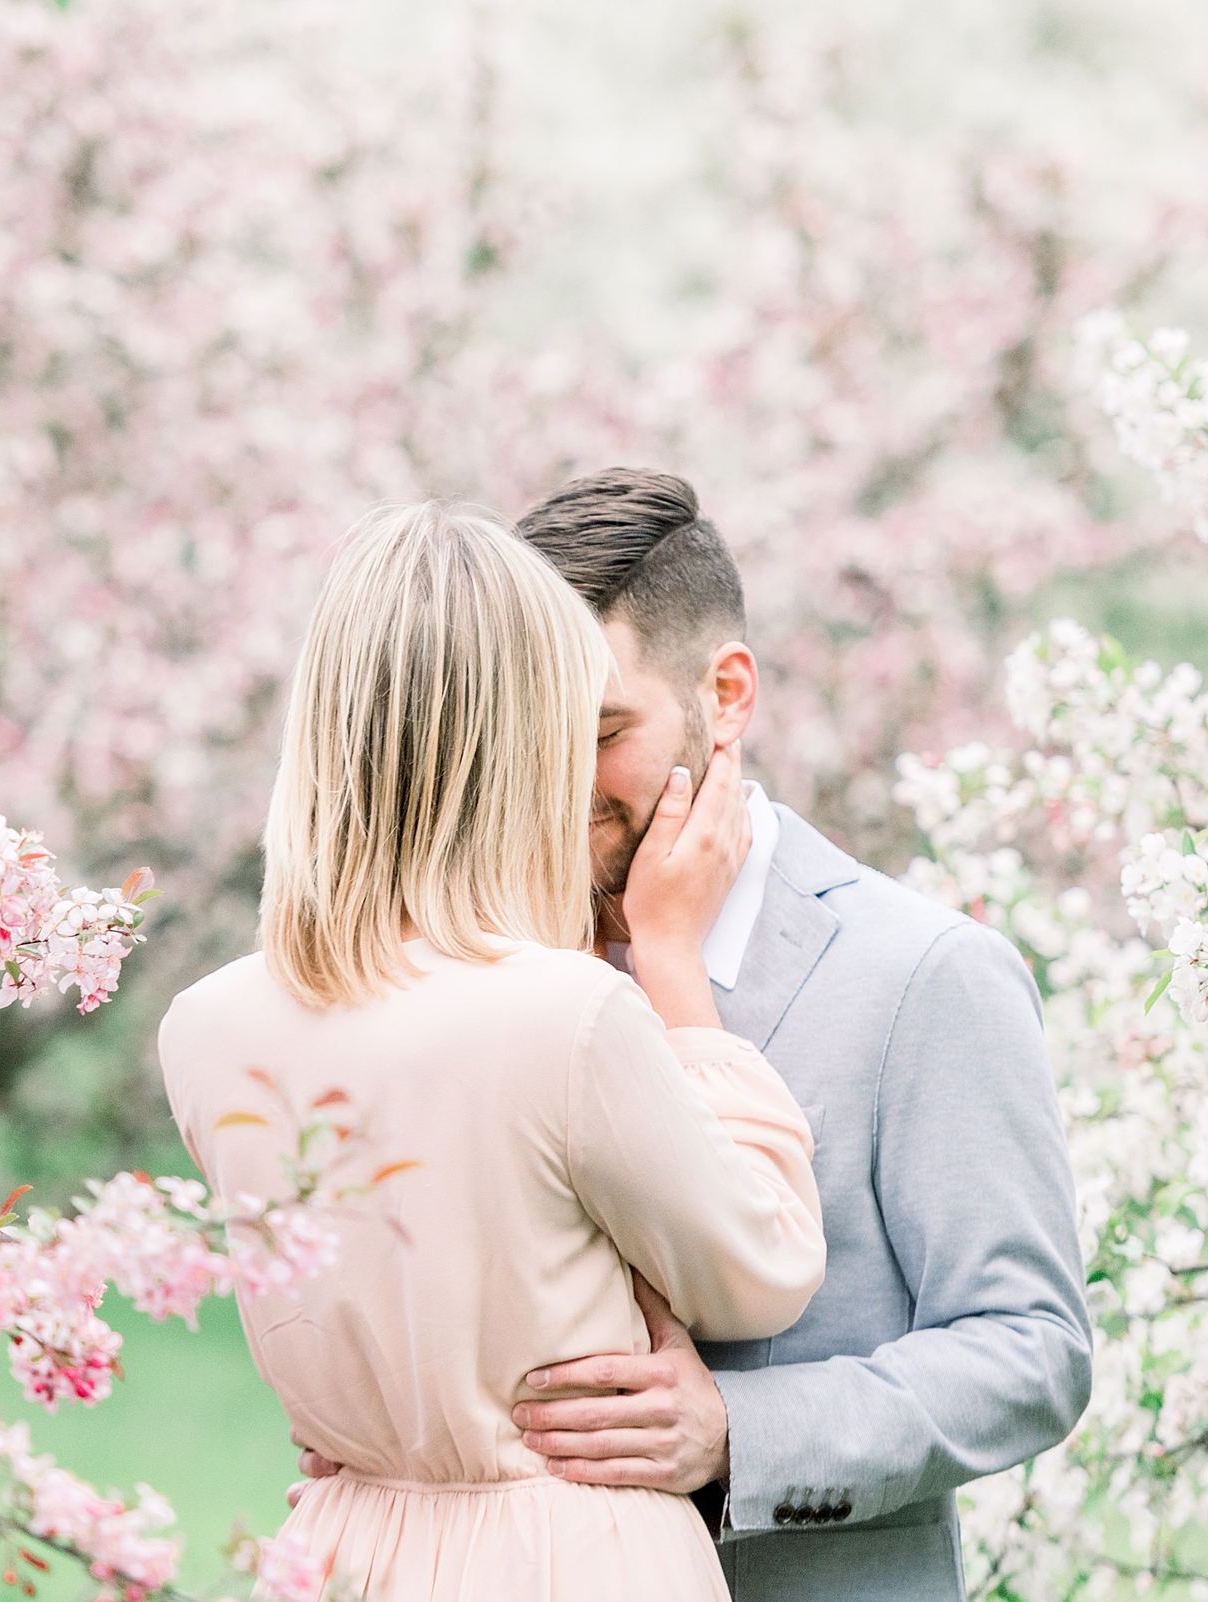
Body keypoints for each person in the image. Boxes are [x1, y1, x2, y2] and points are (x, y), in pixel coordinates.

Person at [296, 470, 1092, 1600]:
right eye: (524, 734)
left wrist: (736, 1436)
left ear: (726, 694)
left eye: (604, 730)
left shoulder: (923, 978)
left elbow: (1031, 1351)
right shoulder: (470, 975)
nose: (555, 778)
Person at [160, 500, 827, 1602]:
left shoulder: (207, 1026)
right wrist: (671, 966)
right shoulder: (566, 1015)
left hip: (342, 1546)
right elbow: (756, 1269)